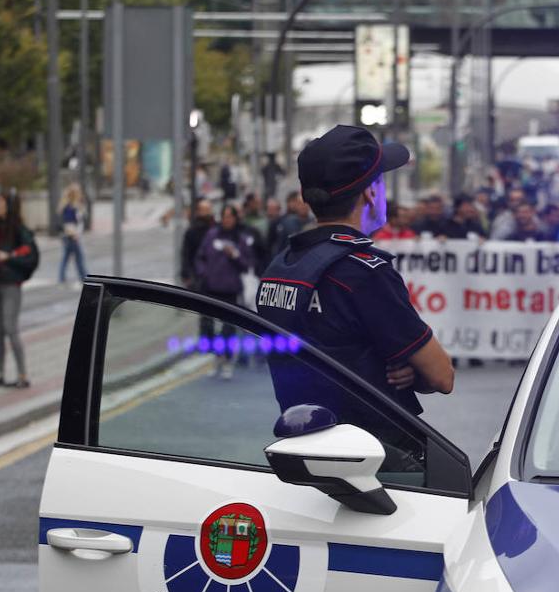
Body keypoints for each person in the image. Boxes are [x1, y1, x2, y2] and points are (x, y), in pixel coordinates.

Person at [259, 124, 454, 423]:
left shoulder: (279, 268)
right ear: (371, 193)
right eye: (382, 183)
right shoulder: (364, 273)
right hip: (374, 453)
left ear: (305, 194)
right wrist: (411, 372)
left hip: (301, 439)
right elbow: (441, 376)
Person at [0, 190, 39, 389]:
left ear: (9, 205)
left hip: (10, 284)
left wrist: (9, 257)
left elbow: (30, 255)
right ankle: (0, 373)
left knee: (10, 327)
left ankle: (22, 374)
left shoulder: (19, 229)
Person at [194, 204, 256, 379]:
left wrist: (235, 255)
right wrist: (203, 273)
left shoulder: (240, 239)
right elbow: (200, 257)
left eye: (230, 216)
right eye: (224, 216)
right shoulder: (212, 235)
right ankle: (217, 357)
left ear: (235, 219)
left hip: (230, 289)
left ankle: (227, 361)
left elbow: (247, 265)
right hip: (211, 287)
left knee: (228, 329)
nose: (227, 219)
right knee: (208, 327)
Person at [180, 198, 214, 290]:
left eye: (208, 210)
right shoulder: (192, 231)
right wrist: (186, 274)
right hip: (196, 276)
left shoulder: (216, 229)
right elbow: (186, 254)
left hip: (213, 276)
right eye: (204, 210)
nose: (206, 213)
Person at [58, 183, 88, 285]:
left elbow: (80, 221)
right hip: (71, 237)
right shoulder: (69, 208)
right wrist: (74, 234)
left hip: (73, 236)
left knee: (67, 257)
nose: (80, 194)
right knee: (79, 257)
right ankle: (84, 277)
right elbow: (68, 224)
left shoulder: (75, 206)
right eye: (78, 192)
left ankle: (62, 277)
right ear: (75, 194)